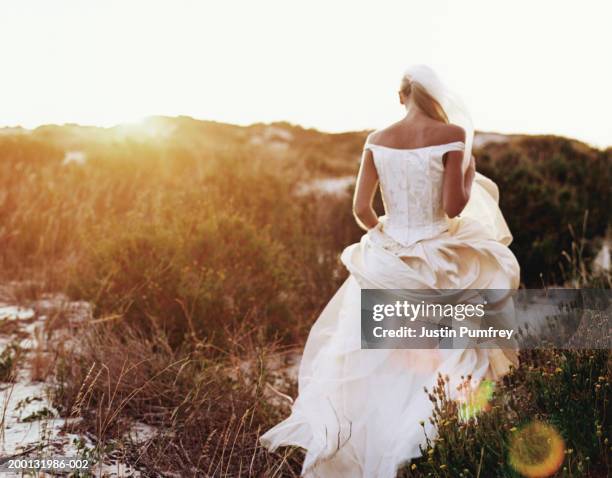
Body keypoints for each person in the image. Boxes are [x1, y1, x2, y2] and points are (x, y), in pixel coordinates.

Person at [260, 65, 520, 477]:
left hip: (389, 258)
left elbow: (362, 209)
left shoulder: (377, 141)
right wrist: (468, 176)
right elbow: (454, 207)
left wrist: (388, 235)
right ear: (433, 97)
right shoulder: (451, 136)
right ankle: (429, 450)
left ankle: (373, 451)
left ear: (401, 96)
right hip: (439, 258)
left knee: (377, 363)